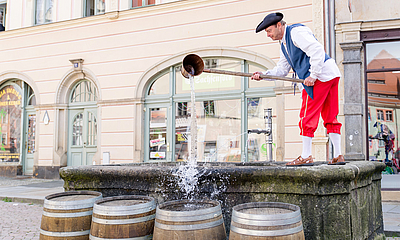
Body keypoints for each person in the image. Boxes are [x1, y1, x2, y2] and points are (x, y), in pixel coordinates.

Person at [252, 12, 344, 166]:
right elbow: (281, 70)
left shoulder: (296, 32)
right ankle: (338, 155)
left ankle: (306, 156)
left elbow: (317, 50)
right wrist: (263, 75)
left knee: (307, 115)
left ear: (279, 25)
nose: (268, 35)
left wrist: (313, 75)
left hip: (319, 77)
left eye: (269, 31)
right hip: (330, 74)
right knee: (330, 115)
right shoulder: (284, 45)